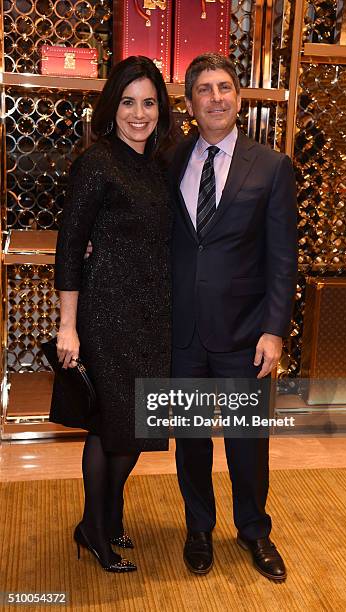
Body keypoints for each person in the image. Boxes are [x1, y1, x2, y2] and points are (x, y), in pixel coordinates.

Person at [169, 53, 298, 581]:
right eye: (204, 89)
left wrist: (274, 329)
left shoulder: (270, 166)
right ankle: (198, 528)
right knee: (190, 441)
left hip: (245, 334)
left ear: (239, 98)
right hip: (180, 333)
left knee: (247, 444)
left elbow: (282, 256)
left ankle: (254, 531)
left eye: (225, 87)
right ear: (190, 102)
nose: (216, 97)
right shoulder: (170, 159)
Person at [51, 56, 174, 573]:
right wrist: (67, 326)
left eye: (148, 102)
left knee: (138, 430)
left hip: (153, 320)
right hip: (105, 318)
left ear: (160, 110)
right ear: (112, 107)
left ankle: (101, 515)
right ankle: (97, 531)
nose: (138, 114)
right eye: (128, 102)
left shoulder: (159, 165)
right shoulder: (97, 162)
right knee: (110, 431)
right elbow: (70, 247)